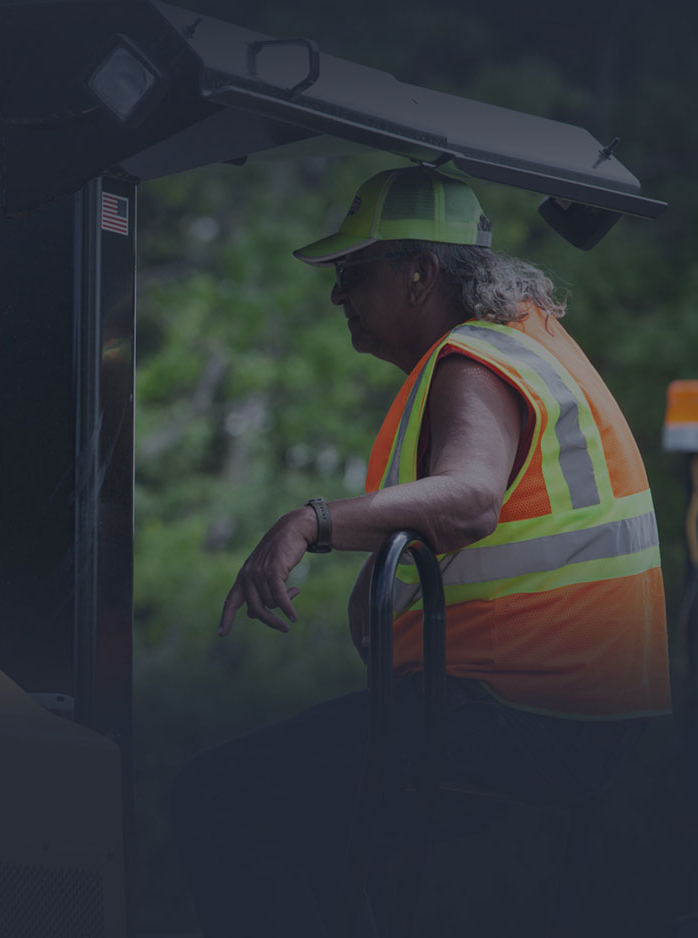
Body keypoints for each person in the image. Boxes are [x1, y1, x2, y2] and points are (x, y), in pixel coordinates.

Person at [169, 166, 669, 937]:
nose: (337, 296)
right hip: (577, 715)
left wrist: (310, 521)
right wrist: (393, 566)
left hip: (522, 713)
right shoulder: (525, 346)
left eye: (351, 272)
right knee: (320, 830)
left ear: (419, 274)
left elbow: (470, 499)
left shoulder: (475, 361)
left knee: (217, 795)